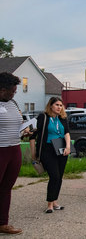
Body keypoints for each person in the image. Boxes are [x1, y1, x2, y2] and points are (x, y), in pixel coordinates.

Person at [30, 97, 71, 213]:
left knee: (59, 177)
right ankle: (49, 204)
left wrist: (68, 147)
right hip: (47, 150)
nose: (59, 107)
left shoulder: (62, 118)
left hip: (61, 149)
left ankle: (55, 201)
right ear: (51, 106)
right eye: (57, 105)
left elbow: (67, 133)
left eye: (61, 105)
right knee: (54, 176)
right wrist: (34, 153)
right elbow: (35, 133)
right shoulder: (43, 117)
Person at [0, 72, 23, 234]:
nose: (14, 93)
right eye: (12, 91)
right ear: (2, 90)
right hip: (0, 150)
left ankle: (3, 223)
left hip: (15, 149)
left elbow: (16, 124)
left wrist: (25, 131)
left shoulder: (13, 103)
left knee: (7, 187)